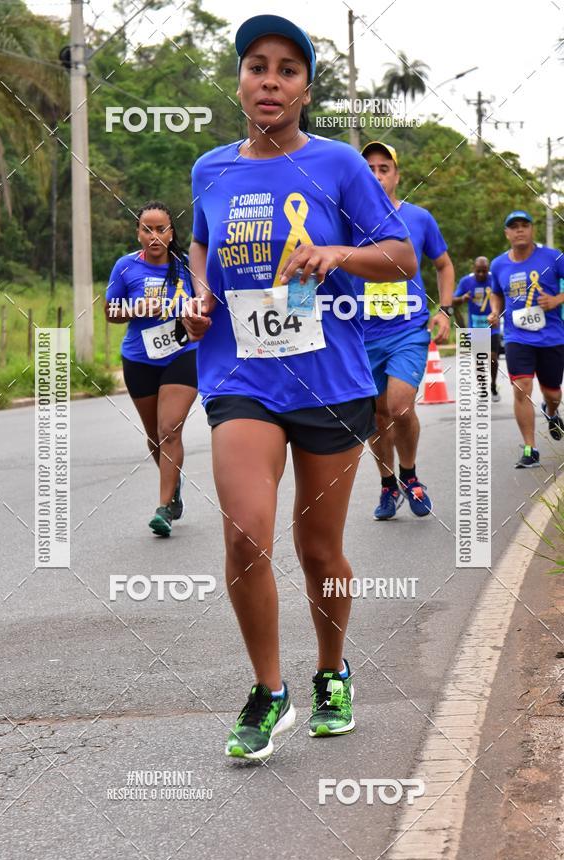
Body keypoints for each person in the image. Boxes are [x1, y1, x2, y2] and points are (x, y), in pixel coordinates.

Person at [183, 14, 416, 761]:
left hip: (329, 380)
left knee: (320, 550)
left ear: (307, 86)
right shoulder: (210, 169)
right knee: (247, 531)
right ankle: (267, 688)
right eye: (257, 66)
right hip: (240, 374)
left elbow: (402, 255)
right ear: (241, 79)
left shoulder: (341, 164)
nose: (271, 81)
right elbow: (200, 243)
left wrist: (338, 253)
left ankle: (331, 670)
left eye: (288, 69)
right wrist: (196, 295)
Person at [355, 141, 455, 521]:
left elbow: (443, 265)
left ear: (397, 176)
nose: (377, 175)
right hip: (361, 333)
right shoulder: (347, 221)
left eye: (385, 168)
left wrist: (443, 310)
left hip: (407, 329)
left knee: (399, 406)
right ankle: (387, 484)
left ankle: (410, 475)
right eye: (370, 169)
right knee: (377, 415)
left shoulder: (418, 218)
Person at [105, 201, 197, 536]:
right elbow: (110, 311)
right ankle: (173, 486)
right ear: (139, 233)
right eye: (147, 229)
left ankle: (163, 509)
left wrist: (194, 315)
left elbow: (208, 303)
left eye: (161, 229)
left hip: (183, 354)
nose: (154, 235)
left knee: (169, 429)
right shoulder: (125, 267)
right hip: (139, 358)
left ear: (172, 233)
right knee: (154, 437)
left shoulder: (187, 266)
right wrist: (133, 306)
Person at [488, 210, 564, 468]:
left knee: (553, 393)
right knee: (521, 387)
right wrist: (495, 311)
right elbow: (496, 293)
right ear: (507, 233)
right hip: (516, 336)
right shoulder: (498, 264)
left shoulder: (553, 258)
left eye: (524, 225)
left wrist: (556, 300)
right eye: (514, 226)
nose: (519, 230)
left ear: (532, 230)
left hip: (551, 336)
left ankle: (552, 411)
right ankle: (530, 448)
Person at [453, 256, 501, 401]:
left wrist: (498, 313)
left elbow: (502, 297)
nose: (481, 274)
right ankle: (482, 388)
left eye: (484, 271)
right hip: (476, 327)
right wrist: (462, 299)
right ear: (474, 269)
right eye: (478, 271)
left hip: (492, 327)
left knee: (492, 358)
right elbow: (452, 300)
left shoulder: (494, 279)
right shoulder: (466, 281)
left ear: (488, 270)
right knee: (480, 360)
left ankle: (493, 385)